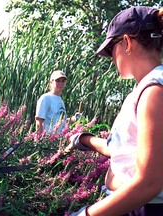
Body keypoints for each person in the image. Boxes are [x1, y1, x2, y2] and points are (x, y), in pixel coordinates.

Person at [68, 6, 163, 216]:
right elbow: (126, 150)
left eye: (111, 50)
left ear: (127, 42)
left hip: (145, 209)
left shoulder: (154, 91)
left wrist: (86, 214)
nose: (111, 59)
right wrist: (83, 139)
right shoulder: (145, 89)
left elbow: (150, 183)